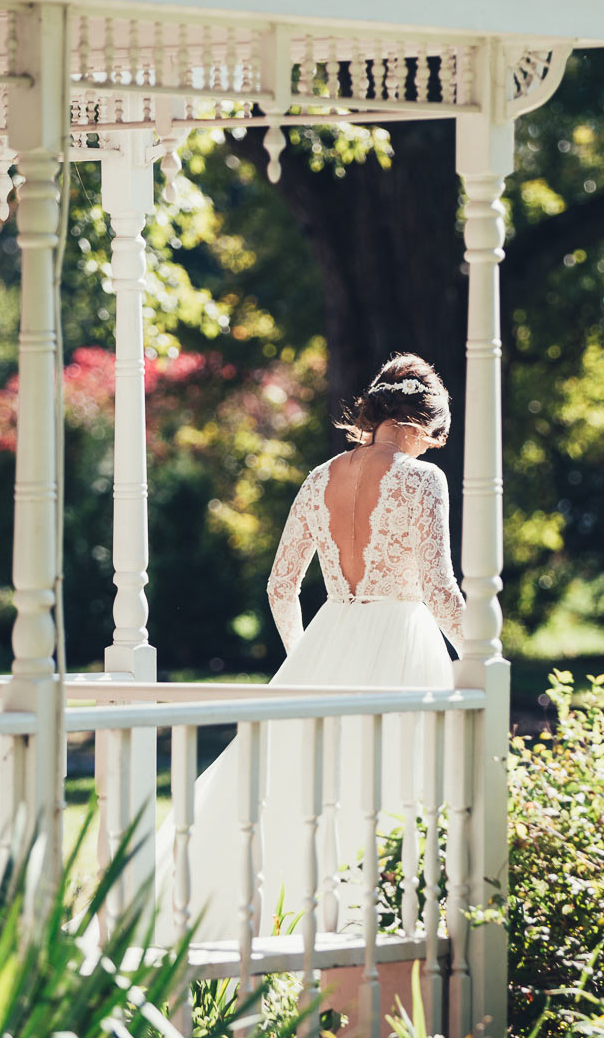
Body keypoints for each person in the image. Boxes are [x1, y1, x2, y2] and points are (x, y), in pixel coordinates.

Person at [152, 352, 465, 943]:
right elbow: (442, 590)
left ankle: (276, 925)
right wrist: (484, 652)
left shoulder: (320, 477)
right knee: (390, 781)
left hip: (327, 639)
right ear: (423, 424)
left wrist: (303, 656)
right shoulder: (422, 478)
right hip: (402, 640)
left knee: (300, 781)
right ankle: (377, 930)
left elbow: (280, 586)